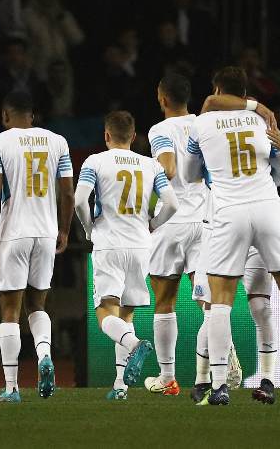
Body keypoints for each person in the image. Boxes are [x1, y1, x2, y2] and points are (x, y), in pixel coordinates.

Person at [182, 66, 280, 405]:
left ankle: (220, 384)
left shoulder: (202, 122)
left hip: (227, 216)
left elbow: (188, 174)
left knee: (219, 302)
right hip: (268, 209)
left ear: (216, 88)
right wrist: (262, 117)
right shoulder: (262, 124)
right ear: (246, 93)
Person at [0, 91, 74, 403]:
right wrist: (64, 230)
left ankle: (12, 387)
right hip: (46, 234)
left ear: (6, 115)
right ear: (33, 116)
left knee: (9, 311)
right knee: (38, 305)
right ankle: (44, 354)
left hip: (14, 233)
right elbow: (68, 194)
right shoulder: (58, 141)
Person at [74, 110, 177, 400]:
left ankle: (134, 345)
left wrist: (88, 229)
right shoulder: (151, 165)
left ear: (106, 135)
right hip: (141, 245)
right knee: (126, 313)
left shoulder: (95, 161)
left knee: (105, 310)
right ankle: (120, 386)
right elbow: (173, 203)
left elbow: (80, 199)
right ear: (134, 137)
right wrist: (154, 224)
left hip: (109, 242)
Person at [142, 73, 209, 396]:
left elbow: (167, 168)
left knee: (165, 302)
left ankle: (167, 378)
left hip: (172, 223)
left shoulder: (161, 130)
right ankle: (217, 367)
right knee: (210, 304)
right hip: (206, 221)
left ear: (162, 98)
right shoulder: (203, 125)